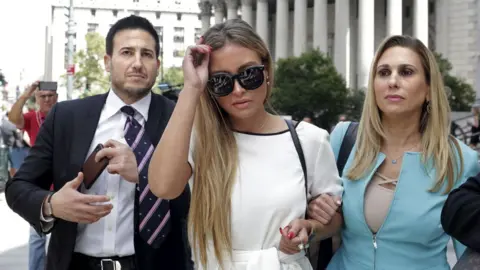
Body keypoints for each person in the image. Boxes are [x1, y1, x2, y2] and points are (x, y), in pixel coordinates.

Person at [147, 19, 343, 269]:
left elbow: (334, 218)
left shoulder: (309, 139)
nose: (238, 90)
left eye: (249, 74)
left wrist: (310, 228)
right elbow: (163, 187)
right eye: (221, 81)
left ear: (267, 72)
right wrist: (192, 88)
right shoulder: (201, 138)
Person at [5, 15, 191, 270]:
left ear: (157, 65)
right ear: (107, 62)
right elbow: (18, 187)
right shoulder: (66, 117)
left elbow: (200, 202)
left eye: (146, 54)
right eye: (127, 52)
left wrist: (146, 173)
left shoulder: (180, 118)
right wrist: (51, 205)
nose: (137, 63)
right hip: (74, 263)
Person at [307, 35, 480, 270]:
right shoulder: (344, 139)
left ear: (429, 89)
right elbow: (317, 215)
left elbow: (469, 254)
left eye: (406, 72)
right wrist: (314, 207)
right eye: (384, 72)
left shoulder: (460, 160)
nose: (393, 81)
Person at [8, 81, 58, 270]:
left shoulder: (66, 116)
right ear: (37, 98)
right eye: (42, 96)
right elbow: (14, 119)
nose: (46, 99)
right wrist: (26, 94)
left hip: (63, 183)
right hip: (39, 186)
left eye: (50, 95)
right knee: (37, 237)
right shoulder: (32, 118)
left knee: (64, 240)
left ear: (56, 97)